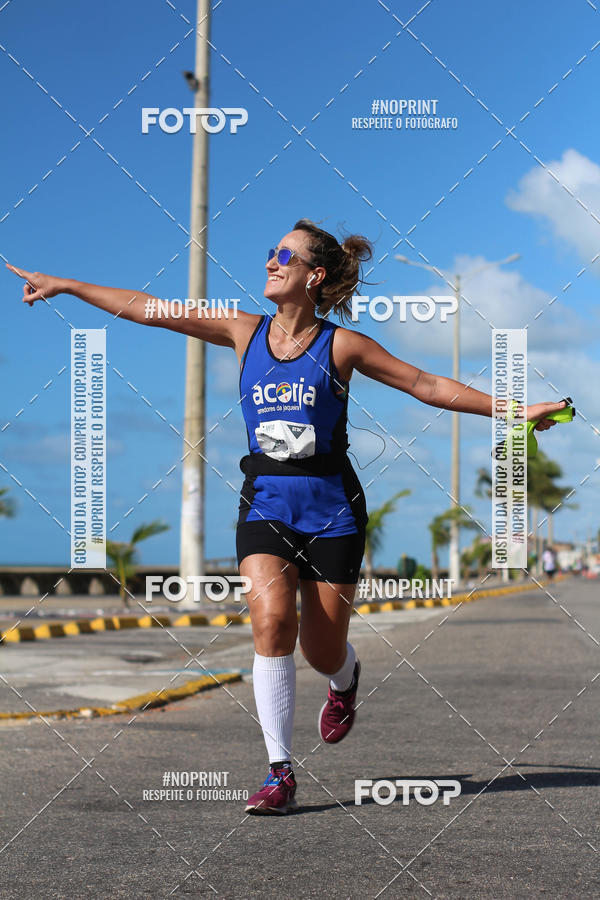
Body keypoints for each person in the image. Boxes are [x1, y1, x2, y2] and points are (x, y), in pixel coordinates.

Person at [6, 220, 568, 815]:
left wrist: (514, 410)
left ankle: (345, 679)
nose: (270, 263)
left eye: (283, 256)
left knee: (321, 651)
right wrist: (65, 284)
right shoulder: (242, 331)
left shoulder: (342, 346)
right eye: (271, 253)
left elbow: (424, 383)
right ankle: (280, 772)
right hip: (267, 501)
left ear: (313, 275)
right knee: (272, 623)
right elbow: (150, 309)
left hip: (333, 510)